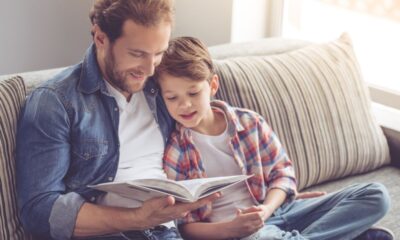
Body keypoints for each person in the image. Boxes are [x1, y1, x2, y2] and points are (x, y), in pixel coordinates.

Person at [15, 1, 220, 239]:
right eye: (137, 54)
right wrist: (139, 217)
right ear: (100, 38)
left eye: (158, 54)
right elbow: (39, 210)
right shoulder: (55, 102)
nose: (149, 69)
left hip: (168, 232)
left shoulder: (164, 86)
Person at [155, 36, 394, 240]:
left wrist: (267, 209)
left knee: (375, 195)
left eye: (193, 92)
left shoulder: (249, 123)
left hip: (279, 211)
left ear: (213, 85)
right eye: (172, 98)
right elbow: (182, 225)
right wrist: (229, 229)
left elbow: (282, 175)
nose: (184, 105)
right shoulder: (177, 151)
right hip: (240, 232)